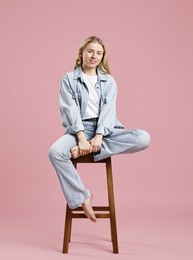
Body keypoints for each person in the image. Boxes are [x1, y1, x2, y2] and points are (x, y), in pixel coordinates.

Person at [48, 36, 150, 222]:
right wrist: (81, 138)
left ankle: (85, 151)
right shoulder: (69, 79)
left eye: (98, 53)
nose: (94, 56)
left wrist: (98, 137)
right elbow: (70, 109)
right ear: (81, 53)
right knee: (55, 152)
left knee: (143, 138)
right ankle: (82, 197)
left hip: (106, 130)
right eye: (90, 51)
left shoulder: (109, 81)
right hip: (79, 129)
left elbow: (108, 110)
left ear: (103, 57)